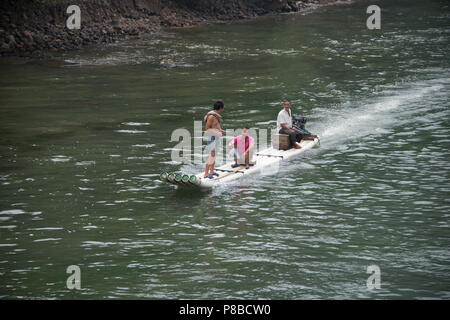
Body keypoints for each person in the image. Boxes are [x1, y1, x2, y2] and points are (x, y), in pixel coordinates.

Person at [203, 100, 225, 179]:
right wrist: (217, 133)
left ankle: (211, 171)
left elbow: (215, 126)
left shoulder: (216, 116)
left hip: (216, 137)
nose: (223, 110)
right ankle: (206, 173)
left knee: (214, 155)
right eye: (222, 108)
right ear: (220, 108)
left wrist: (220, 130)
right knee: (211, 155)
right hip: (212, 137)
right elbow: (207, 128)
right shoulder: (211, 116)